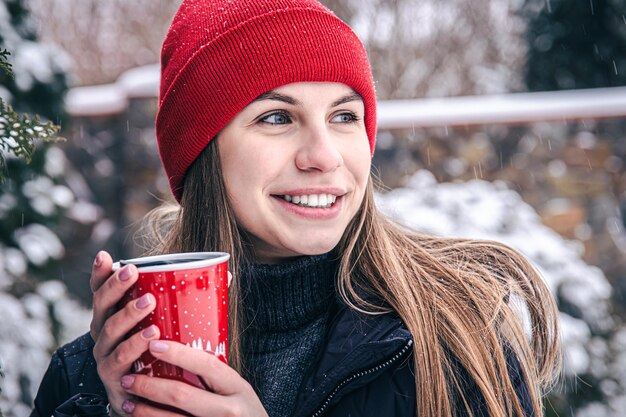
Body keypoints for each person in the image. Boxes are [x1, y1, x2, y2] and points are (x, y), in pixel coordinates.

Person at [30, 0, 561, 416]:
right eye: (277, 118)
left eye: (345, 116)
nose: (325, 157)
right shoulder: (85, 379)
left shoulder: (454, 341)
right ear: (203, 154)